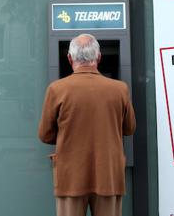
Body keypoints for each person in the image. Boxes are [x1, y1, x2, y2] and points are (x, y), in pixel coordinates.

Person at [38, 33, 136, 216]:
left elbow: (45, 135)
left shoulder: (56, 89)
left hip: (71, 176)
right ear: (98, 57)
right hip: (109, 174)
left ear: (69, 58)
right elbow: (129, 128)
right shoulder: (120, 89)